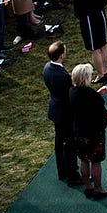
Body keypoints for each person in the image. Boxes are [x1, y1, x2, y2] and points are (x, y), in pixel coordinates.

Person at [68, 62, 107, 199]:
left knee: (83, 160)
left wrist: (98, 93)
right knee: (96, 162)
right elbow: (103, 115)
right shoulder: (92, 96)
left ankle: (88, 186)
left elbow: (84, 103)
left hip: (79, 133)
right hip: (94, 135)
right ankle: (98, 188)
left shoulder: (72, 92)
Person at [42, 41, 81, 186]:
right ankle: (72, 175)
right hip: (64, 113)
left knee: (59, 142)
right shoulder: (63, 76)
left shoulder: (47, 67)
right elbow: (70, 95)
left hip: (55, 109)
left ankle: (62, 170)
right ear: (61, 55)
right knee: (69, 144)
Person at [73, 0, 107, 81]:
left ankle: (101, 74)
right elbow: (104, 1)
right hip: (100, 17)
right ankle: (105, 71)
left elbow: (77, 13)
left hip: (88, 21)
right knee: (103, 45)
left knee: (95, 49)